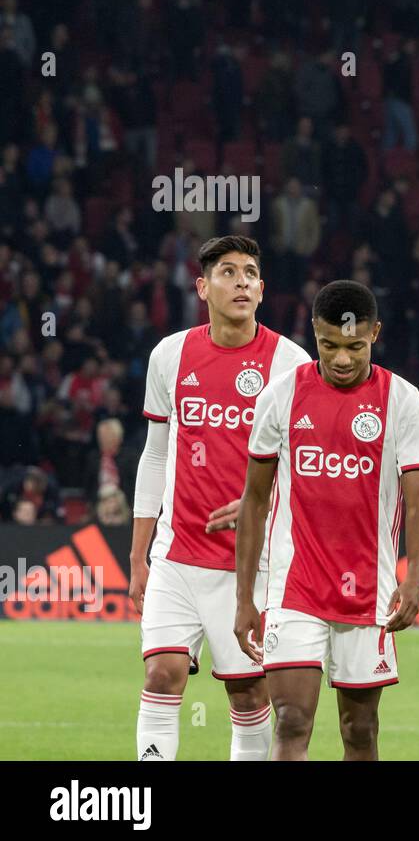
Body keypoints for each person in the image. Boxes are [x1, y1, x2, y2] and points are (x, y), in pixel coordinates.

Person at [233, 280, 419, 760]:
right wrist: (245, 599)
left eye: (354, 346)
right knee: (291, 719)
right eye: (329, 345)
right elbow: (254, 500)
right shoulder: (282, 395)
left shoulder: (402, 401)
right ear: (314, 335)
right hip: (293, 588)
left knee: (359, 729)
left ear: (375, 334)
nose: (341, 358)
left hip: (371, 593)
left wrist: (415, 580)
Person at [129, 236, 312, 761]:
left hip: (249, 564)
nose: (241, 282)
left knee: (247, 691)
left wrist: (264, 500)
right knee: (162, 674)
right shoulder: (170, 355)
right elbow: (156, 456)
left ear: (262, 289)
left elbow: (305, 461)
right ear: (203, 287)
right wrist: (140, 554)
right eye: (227, 272)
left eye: (250, 273)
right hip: (176, 555)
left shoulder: (288, 362)